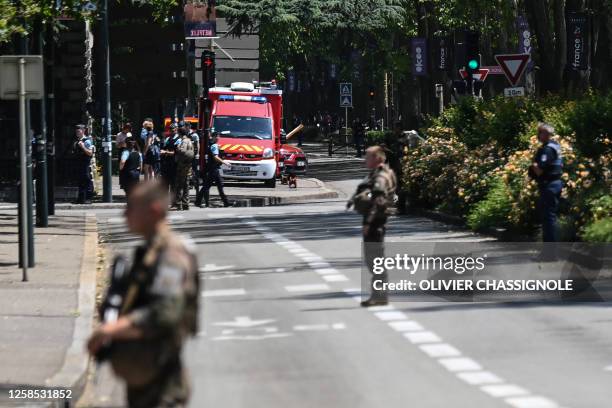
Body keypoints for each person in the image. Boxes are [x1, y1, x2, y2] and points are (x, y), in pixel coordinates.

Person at [87, 181, 199, 408]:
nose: (125, 213)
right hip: (144, 375)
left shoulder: (171, 256)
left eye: (131, 206)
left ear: (154, 210)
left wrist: (111, 329)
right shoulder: (148, 252)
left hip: (162, 382)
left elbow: (165, 312)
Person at [347, 146, 397, 307]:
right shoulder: (378, 173)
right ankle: (379, 295)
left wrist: (368, 222)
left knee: (374, 260)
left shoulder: (381, 176)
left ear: (377, 158)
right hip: (377, 220)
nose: (364, 160)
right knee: (375, 259)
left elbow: (379, 201)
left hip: (376, 221)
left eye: (367, 157)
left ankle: (379, 295)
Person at [529, 123, 564, 248]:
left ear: (546, 134)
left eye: (540, 132)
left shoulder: (547, 149)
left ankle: (550, 253)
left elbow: (540, 170)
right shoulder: (555, 146)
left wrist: (533, 165)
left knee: (548, 219)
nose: (538, 135)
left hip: (549, 185)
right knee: (549, 217)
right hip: (554, 184)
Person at [195, 132, 232, 208]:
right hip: (214, 169)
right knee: (215, 186)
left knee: (210, 186)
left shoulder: (210, 144)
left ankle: (198, 201)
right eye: (217, 136)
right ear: (214, 137)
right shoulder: (214, 145)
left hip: (212, 168)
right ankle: (226, 202)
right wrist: (224, 162)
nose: (218, 138)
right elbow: (215, 157)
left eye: (219, 136)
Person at [172, 123, 195, 211]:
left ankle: (179, 204)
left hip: (182, 166)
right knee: (186, 185)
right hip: (188, 165)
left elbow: (182, 150)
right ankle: (186, 203)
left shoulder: (184, 141)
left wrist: (177, 148)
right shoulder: (190, 140)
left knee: (179, 185)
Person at [74, 124, 94, 204]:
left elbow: (90, 153)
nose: (77, 132)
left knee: (87, 180)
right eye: (76, 131)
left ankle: (88, 199)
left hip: (85, 164)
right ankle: (81, 199)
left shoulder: (87, 141)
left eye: (79, 131)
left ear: (83, 131)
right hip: (80, 163)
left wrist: (82, 147)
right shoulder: (78, 141)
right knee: (81, 181)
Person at [160, 123, 179, 194]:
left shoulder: (178, 139)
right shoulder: (167, 138)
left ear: (176, 129)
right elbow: (164, 148)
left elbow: (176, 153)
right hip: (166, 164)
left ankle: (173, 201)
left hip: (174, 164)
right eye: (170, 129)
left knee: (173, 183)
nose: (171, 130)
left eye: (173, 129)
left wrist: (165, 152)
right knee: (165, 183)